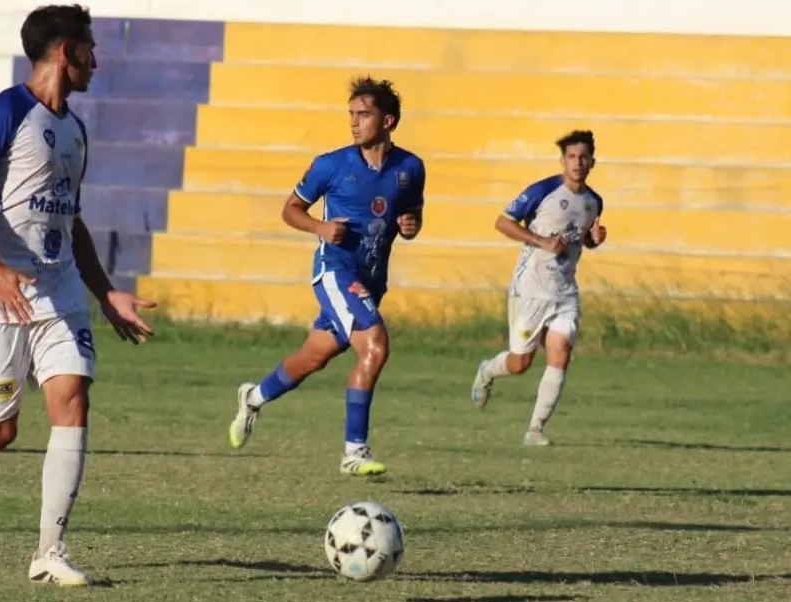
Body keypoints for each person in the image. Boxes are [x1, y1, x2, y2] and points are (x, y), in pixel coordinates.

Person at [0, 3, 156, 587]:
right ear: (66, 51)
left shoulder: (75, 128)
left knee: (72, 398)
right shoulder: (4, 112)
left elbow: (70, 219)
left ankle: (50, 552)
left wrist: (105, 292)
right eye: (90, 49)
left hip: (59, 286)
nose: (96, 61)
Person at [227, 77, 425, 476]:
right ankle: (354, 452)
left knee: (312, 358)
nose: (354, 123)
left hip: (371, 281)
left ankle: (254, 396)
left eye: (363, 115)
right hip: (335, 272)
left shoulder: (411, 167)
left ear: (388, 121)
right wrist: (319, 228)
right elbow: (290, 209)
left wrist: (410, 225)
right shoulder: (330, 164)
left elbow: (412, 216)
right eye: (351, 115)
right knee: (376, 346)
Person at [469, 129, 608, 446]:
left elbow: (583, 238)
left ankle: (535, 430)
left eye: (583, 157)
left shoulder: (593, 201)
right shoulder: (543, 190)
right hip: (530, 289)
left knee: (561, 353)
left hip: (564, 292)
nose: (577, 162)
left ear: (592, 162)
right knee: (520, 363)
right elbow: (503, 222)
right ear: (563, 161)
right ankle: (489, 371)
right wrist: (540, 241)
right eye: (571, 157)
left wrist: (594, 240)